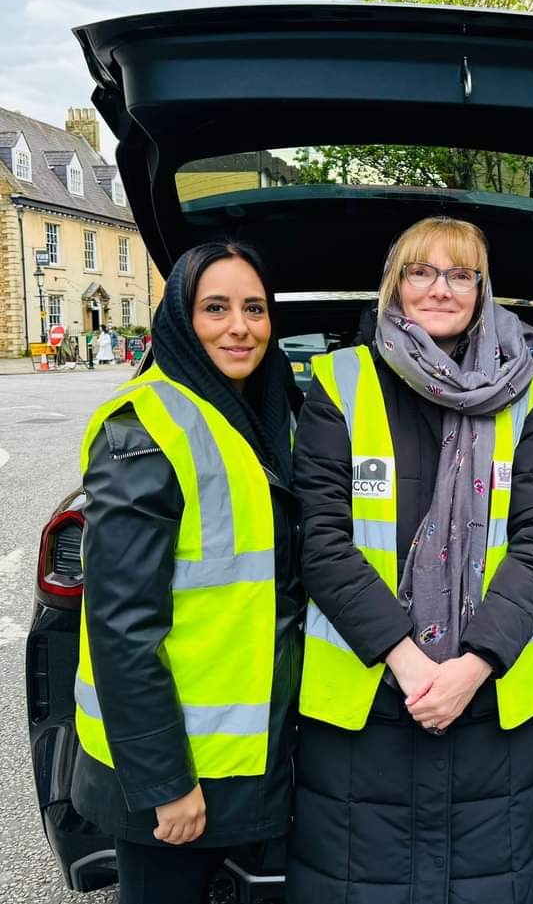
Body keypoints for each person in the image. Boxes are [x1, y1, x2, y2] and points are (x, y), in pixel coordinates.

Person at [287, 216, 533, 904]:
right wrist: (413, 665)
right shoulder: (341, 382)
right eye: (421, 271)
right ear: (396, 284)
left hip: (489, 707)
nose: (440, 287)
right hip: (370, 709)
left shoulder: (526, 390)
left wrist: (471, 667)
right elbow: (322, 540)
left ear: (481, 288)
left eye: (460, 273)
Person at [72, 241, 304, 904]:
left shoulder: (267, 414)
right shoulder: (146, 427)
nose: (241, 326)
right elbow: (120, 626)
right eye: (216, 308)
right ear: (179, 317)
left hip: (256, 757)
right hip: (181, 772)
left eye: (255, 308)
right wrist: (163, 783)